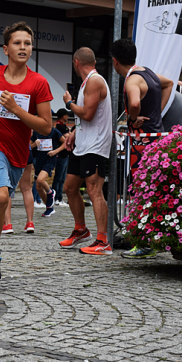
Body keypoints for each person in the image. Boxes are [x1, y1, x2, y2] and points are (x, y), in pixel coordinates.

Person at [0, 21, 53, 281]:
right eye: (17, 43)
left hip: (19, 153)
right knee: (1, 198)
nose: (23, 47)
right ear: (6, 48)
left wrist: (16, 109)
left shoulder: (38, 83)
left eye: (27, 43)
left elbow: (46, 127)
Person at [109, 39, 170, 258]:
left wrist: (133, 120)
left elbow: (134, 104)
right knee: (150, 191)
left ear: (115, 62)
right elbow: (170, 83)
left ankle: (145, 243)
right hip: (155, 139)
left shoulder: (132, 80)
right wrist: (157, 114)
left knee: (141, 192)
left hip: (141, 144)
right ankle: (149, 240)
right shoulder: (149, 73)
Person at [59, 47, 113, 255]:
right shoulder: (86, 83)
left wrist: (69, 103)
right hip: (83, 143)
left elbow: (88, 114)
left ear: (76, 63)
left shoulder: (95, 81)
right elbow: (85, 119)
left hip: (96, 145)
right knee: (70, 187)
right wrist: (74, 131)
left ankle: (103, 241)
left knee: (94, 190)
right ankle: (81, 230)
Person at [32, 117, 66, 218]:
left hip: (50, 159)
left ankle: (50, 192)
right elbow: (30, 145)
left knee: (40, 180)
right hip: (39, 160)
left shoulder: (55, 132)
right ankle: (49, 208)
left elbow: (65, 143)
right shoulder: (36, 132)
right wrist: (34, 144)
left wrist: (55, 152)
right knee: (38, 187)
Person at [52, 109, 71, 206]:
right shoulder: (59, 127)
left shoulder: (63, 126)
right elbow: (69, 137)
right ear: (63, 116)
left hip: (66, 154)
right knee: (58, 177)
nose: (68, 117)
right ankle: (55, 198)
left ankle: (59, 197)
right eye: (67, 115)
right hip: (61, 155)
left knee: (62, 178)